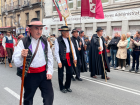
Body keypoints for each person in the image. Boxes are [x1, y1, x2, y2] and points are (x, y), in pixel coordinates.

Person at [13, 18, 54, 105]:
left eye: (40, 29)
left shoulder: (44, 41)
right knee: (28, 99)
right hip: (30, 75)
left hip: (44, 74)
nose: (39, 31)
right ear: (30, 30)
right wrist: (21, 55)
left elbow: (50, 57)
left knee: (49, 97)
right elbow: (16, 62)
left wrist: (50, 71)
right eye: (36, 28)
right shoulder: (23, 42)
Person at [55, 26, 77, 93]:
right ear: (62, 33)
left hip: (69, 58)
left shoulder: (69, 39)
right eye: (67, 32)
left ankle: (67, 86)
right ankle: (61, 87)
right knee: (61, 74)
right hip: (61, 58)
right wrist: (59, 61)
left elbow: (73, 49)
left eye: (68, 32)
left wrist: (74, 58)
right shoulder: (58, 40)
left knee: (70, 73)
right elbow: (56, 52)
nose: (68, 33)